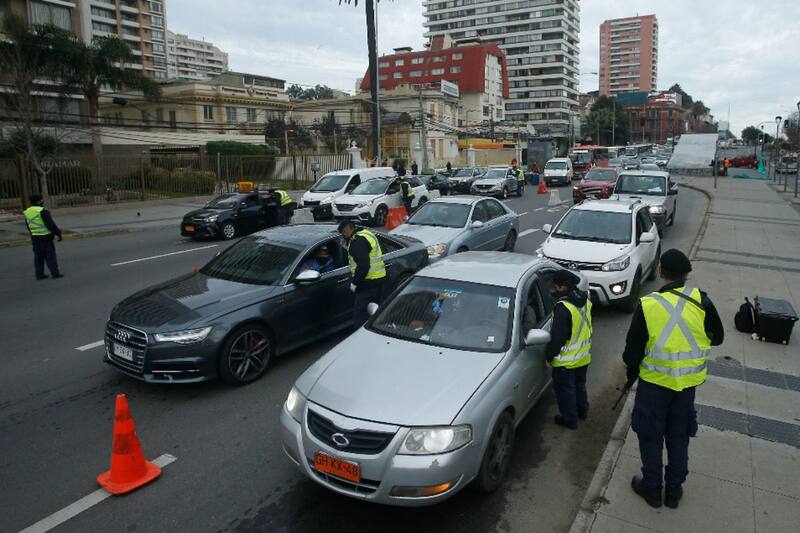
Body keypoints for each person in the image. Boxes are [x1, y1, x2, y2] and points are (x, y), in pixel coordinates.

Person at [623, 249, 724, 510]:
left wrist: (632, 370)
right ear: (687, 274)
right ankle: (674, 490)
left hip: (654, 386)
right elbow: (718, 337)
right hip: (687, 386)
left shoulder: (648, 304)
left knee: (650, 435)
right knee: (679, 436)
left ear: (660, 271)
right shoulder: (702, 300)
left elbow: (631, 352)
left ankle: (652, 488)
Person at [544, 270, 592, 430]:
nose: (554, 289)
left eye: (555, 286)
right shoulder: (584, 300)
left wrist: (549, 356)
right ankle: (582, 411)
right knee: (579, 386)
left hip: (566, 360)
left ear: (562, 287)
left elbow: (558, 338)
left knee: (565, 392)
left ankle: (569, 419)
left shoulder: (563, 308)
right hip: (583, 356)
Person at [338, 220, 386, 328]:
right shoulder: (367, 233)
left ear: (348, 230)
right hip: (379, 279)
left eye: (344, 233)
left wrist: (355, 283)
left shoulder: (357, 241)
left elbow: (363, 265)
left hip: (367, 284)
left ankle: (360, 337)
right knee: (376, 312)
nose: (344, 236)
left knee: (360, 315)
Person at [23, 194, 63, 280]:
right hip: (45, 237)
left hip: (35, 237)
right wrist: (58, 233)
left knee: (38, 257)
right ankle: (55, 273)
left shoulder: (27, 212)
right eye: (41, 200)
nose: (42, 201)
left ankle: (39, 274)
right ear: (39, 201)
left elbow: (28, 225)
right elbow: (50, 224)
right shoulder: (42, 211)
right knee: (50, 256)